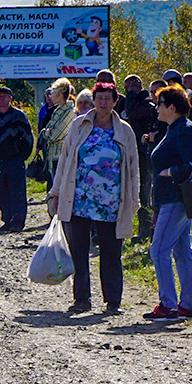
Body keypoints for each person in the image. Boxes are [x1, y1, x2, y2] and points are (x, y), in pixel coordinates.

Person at [48, 81, 139, 314]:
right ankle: (82, 299)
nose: (103, 103)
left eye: (108, 98)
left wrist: (133, 201)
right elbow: (65, 161)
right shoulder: (79, 125)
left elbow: (132, 169)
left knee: (111, 252)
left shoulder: (124, 131)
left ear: (115, 101)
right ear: (93, 100)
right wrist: (55, 193)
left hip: (111, 203)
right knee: (79, 251)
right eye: (99, 98)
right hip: (79, 200)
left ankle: (113, 301)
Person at [144, 85, 192, 321]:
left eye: (159, 103)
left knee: (158, 251)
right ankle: (188, 305)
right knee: (181, 252)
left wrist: (169, 172)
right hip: (172, 198)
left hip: (176, 198)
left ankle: (168, 305)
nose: (156, 107)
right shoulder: (174, 129)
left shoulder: (185, 130)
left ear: (172, 107)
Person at [0, 85, 34, 232]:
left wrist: (22, 155)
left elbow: (28, 137)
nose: (1, 99)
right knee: (1, 192)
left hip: (14, 159)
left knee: (17, 192)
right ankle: (7, 220)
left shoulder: (19, 116)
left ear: (10, 98)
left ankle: (18, 221)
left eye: (4, 96)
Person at [121, 75, 159, 238]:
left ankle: (147, 229)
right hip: (134, 152)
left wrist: (132, 95)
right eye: (126, 89)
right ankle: (142, 228)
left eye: (131, 88)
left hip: (144, 154)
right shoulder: (133, 101)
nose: (128, 91)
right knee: (135, 190)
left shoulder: (146, 103)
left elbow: (132, 113)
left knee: (145, 190)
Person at [35, 78, 74, 182]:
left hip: (63, 158)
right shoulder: (56, 111)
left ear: (60, 94)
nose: (50, 95)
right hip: (52, 158)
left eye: (53, 92)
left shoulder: (70, 112)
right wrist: (47, 131)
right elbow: (45, 131)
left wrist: (47, 132)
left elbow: (54, 136)